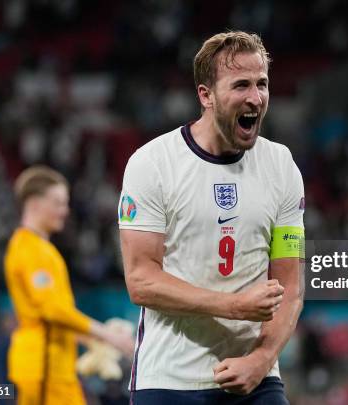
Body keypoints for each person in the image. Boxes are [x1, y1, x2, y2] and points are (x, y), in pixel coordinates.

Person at [119, 31, 305, 404]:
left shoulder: (281, 165)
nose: (256, 97)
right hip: (170, 380)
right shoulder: (153, 163)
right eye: (241, 85)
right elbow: (141, 281)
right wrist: (233, 305)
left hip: (255, 380)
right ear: (206, 95)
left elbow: (291, 284)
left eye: (262, 84)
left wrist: (262, 359)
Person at [4, 165, 134, 405]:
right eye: (58, 203)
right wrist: (107, 336)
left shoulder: (39, 248)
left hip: (54, 367)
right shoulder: (31, 249)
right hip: (43, 366)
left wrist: (89, 339)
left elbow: (54, 314)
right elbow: (52, 311)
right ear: (34, 204)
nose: (64, 211)